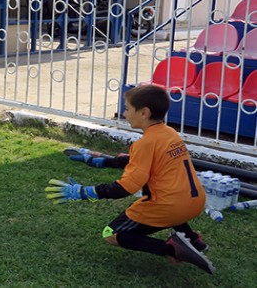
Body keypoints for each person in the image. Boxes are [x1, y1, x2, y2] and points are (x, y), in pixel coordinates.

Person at [45, 85, 214, 274]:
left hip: (169, 208)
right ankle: (192, 239)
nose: (124, 114)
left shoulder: (145, 144)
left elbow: (125, 188)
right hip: (195, 202)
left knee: (111, 234)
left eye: (126, 108)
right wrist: (100, 160)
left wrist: (84, 192)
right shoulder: (170, 134)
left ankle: (174, 249)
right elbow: (140, 161)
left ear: (144, 112)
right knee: (170, 196)